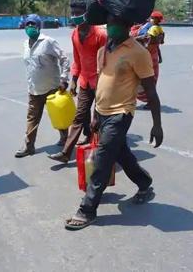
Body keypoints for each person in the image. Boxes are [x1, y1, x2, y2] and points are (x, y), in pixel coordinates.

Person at [64, 13, 164, 230]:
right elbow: (101, 84)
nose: (112, 28)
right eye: (109, 23)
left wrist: (157, 124)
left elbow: (151, 91)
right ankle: (144, 182)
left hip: (121, 113)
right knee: (120, 153)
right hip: (102, 111)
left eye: (117, 24)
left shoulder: (138, 53)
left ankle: (87, 210)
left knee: (102, 159)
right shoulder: (103, 51)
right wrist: (94, 115)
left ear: (128, 26)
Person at [49, 0, 106, 163]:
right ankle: (66, 153)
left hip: (101, 82)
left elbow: (105, 61)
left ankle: (99, 152)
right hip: (84, 81)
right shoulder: (74, 34)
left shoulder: (100, 34)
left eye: (78, 12)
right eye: (73, 13)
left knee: (98, 119)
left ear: (87, 13)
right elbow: (77, 60)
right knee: (79, 116)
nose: (75, 16)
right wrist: (73, 79)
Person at [15, 14, 70, 158]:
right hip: (34, 88)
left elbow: (64, 59)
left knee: (57, 115)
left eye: (33, 24)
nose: (30, 27)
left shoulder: (48, 42)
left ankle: (65, 138)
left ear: (39, 26)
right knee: (32, 117)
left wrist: (64, 78)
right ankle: (28, 146)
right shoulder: (25, 43)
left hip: (52, 87)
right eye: (28, 24)